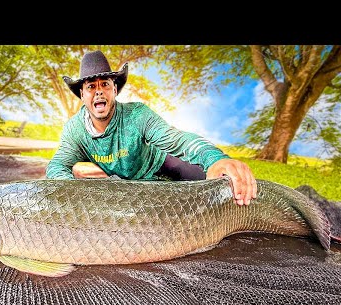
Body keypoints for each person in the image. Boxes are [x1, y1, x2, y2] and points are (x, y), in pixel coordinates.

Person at [46, 50, 257, 206]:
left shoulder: (138, 115)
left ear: (115, 90)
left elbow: (179, 140)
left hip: (159, 163)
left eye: (105, 84)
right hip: (125, 181)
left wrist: (216, 159)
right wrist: (70, 193)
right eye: (91, 87)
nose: (99, 91)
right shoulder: (75, 129)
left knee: (225, 186)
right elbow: (57, 166)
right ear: (82, 95)